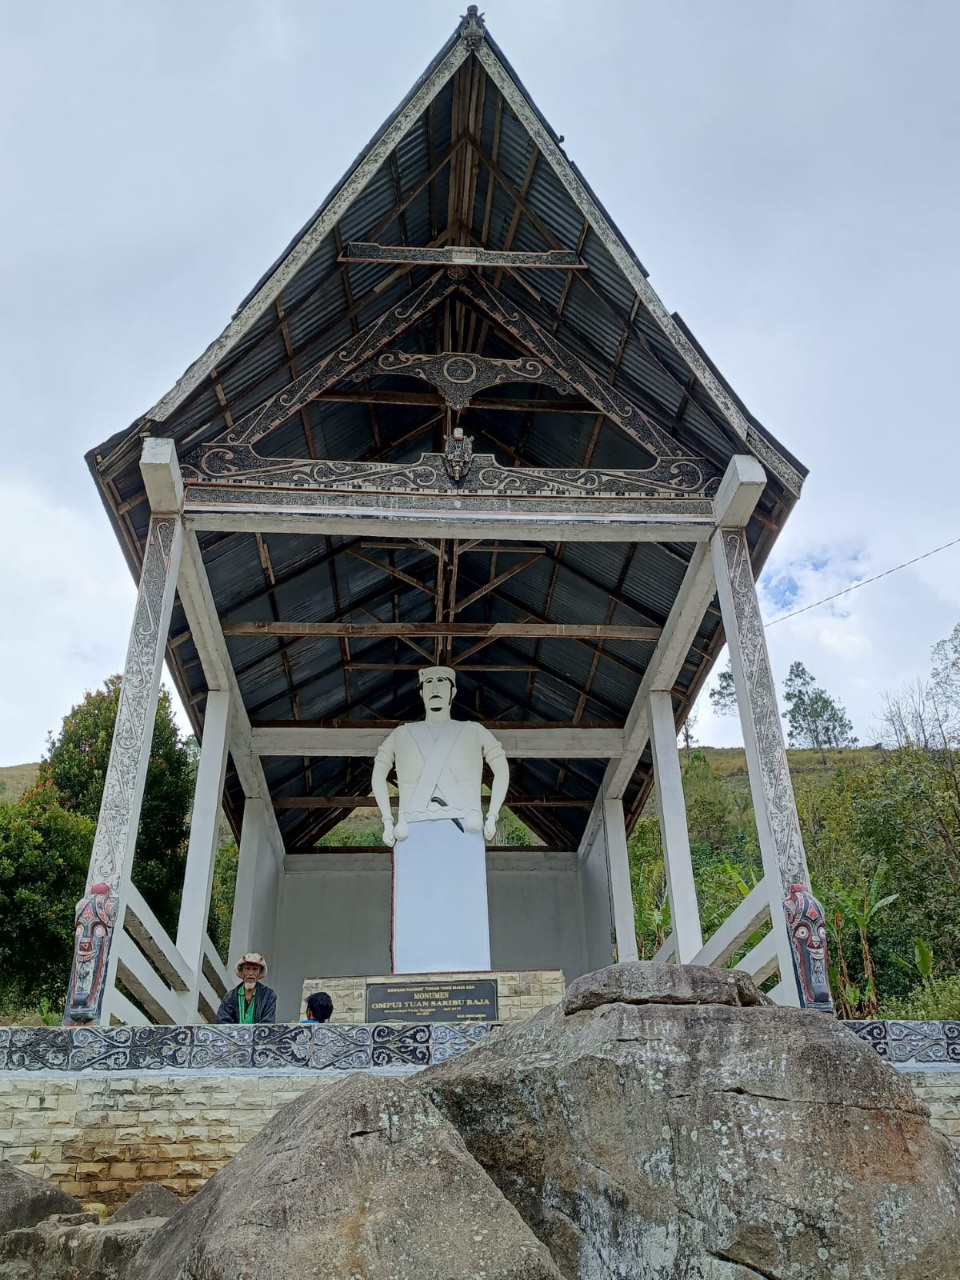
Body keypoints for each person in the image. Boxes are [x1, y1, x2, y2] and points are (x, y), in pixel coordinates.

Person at [372, 665, 509, 974]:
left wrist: (492, 814)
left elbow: (500, 766)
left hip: (465, 829)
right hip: (412, 830)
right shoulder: (402, 734)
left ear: (453, 691)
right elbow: (378, 772)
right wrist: (386, 819)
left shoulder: (473, 731)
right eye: (430, 682)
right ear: (421, 692)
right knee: (416, 912)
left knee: (466, 912)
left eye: (442, 682)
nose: (435, 688)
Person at [215, 952, 277, 1024]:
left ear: (259, 973)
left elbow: (267, 1024)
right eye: (247, 968)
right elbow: (221, 1021)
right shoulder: (230, 996)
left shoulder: (268, 995)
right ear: (241, 972)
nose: (251, 973)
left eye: (255, 969)